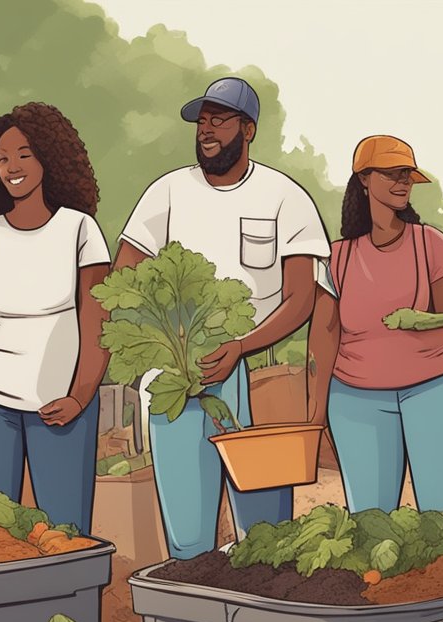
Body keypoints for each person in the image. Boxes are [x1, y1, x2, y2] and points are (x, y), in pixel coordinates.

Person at [115, 77, 330, 559]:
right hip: (178, 377)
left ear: (248, 129)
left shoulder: (284, 196)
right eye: (202, 121)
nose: (207, 130)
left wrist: (241, 346)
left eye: (220, 119)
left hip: (257, 374)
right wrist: (167, 337)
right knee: (188, 535)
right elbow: (124, 274)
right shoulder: (167, 191)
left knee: (264, 537)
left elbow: (300, 299)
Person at [0, 103, 109, 533]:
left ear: (50, 156)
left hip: (63, 406)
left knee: (66, 533)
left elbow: (98, 325)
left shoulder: (80, 229)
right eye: (1, 157)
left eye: (23, 154)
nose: (10, 166)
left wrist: (80, 396)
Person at [308, 136, 443, 515]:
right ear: (363, 179)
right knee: (369, 523)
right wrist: (317, 413)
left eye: (408, 176)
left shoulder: (432, 244)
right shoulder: (337, 257)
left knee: (442, 517)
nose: (403, 183)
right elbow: (324, 335)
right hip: (355, 401)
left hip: (434, 391)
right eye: (392, 174)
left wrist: (413, 355)